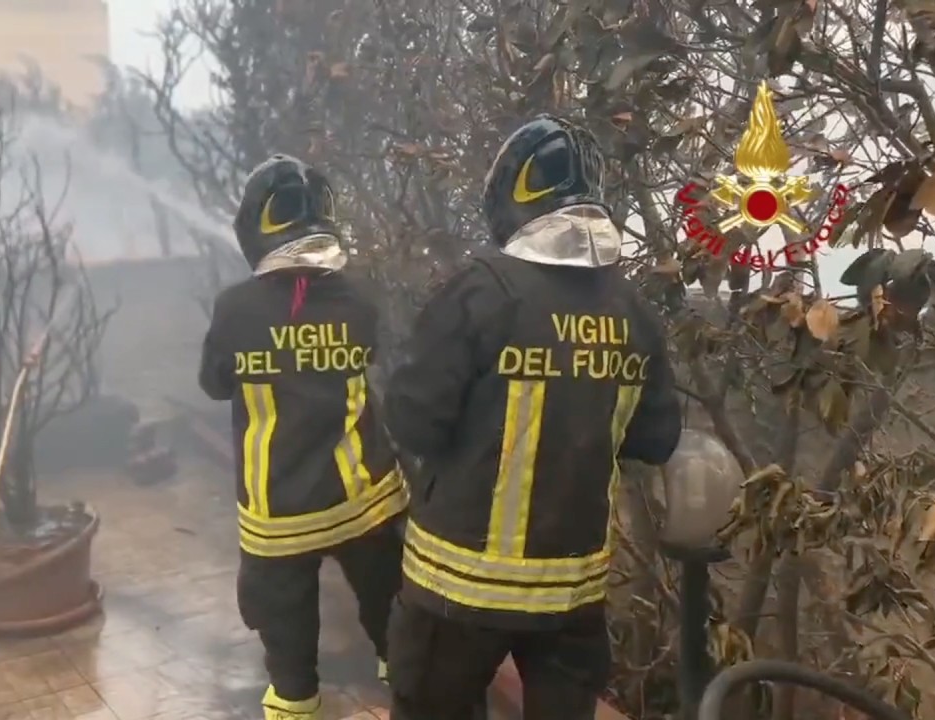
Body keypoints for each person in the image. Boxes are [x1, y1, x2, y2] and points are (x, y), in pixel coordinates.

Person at [382, 115, 684, 720]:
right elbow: (656, 439)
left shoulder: (480, 292)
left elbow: (414, 421)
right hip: (571, 598)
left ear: (510, 198)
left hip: (456, 592)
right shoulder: (632, 314)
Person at [198, 154, 408, 720]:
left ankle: (295, 701)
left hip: (279, 508)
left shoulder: (235, 308)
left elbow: (216, 384)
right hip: (362, 495)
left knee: (283, 613)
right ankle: (402, 670)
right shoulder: (358, 298)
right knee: (384, 589)